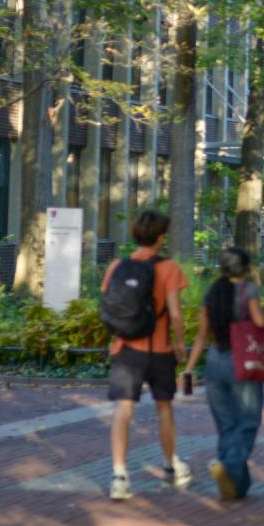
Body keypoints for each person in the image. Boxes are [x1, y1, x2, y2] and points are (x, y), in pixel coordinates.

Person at [99, 210, 192, 501]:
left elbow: (109, 305)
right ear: (160, 237)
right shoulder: (168, 268)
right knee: (164, 409)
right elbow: (175, 314)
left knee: (122, 410)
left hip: (125, 349)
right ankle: (170, 464)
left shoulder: (118, 266)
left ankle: (119, 475)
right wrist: (180, 343)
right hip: (159, 349)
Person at [184, 245, 264, 501]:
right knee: (248, 421)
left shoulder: (212, 292)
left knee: (226, 424)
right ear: (246, 268)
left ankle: (235, 486)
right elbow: (258, 320)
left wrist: (189, 368)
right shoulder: (249, 289)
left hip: (215, 360)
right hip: (242, 360)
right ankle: (227, 464)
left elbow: (202, 334)